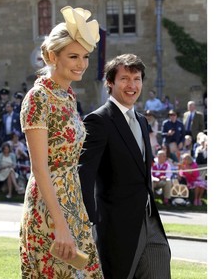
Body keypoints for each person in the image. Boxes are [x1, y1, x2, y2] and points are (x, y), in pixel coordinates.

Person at [18, 6, 103, 278]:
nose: (82, 64)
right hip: (48, 206)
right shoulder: (37, 98)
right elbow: (39, 168)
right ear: (53, 56)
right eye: (73, 56)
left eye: (86, 56)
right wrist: (60, 224)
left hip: (73, 200)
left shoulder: (68, 97)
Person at [79, 53, 171, 278]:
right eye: (125, 79)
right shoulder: (98, 121)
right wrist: (87, 225)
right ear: (110, 83)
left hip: (150, 222)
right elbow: (85, 175)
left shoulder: (141, 120)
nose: (132, 85)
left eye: (137, 78)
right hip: (116, 227)